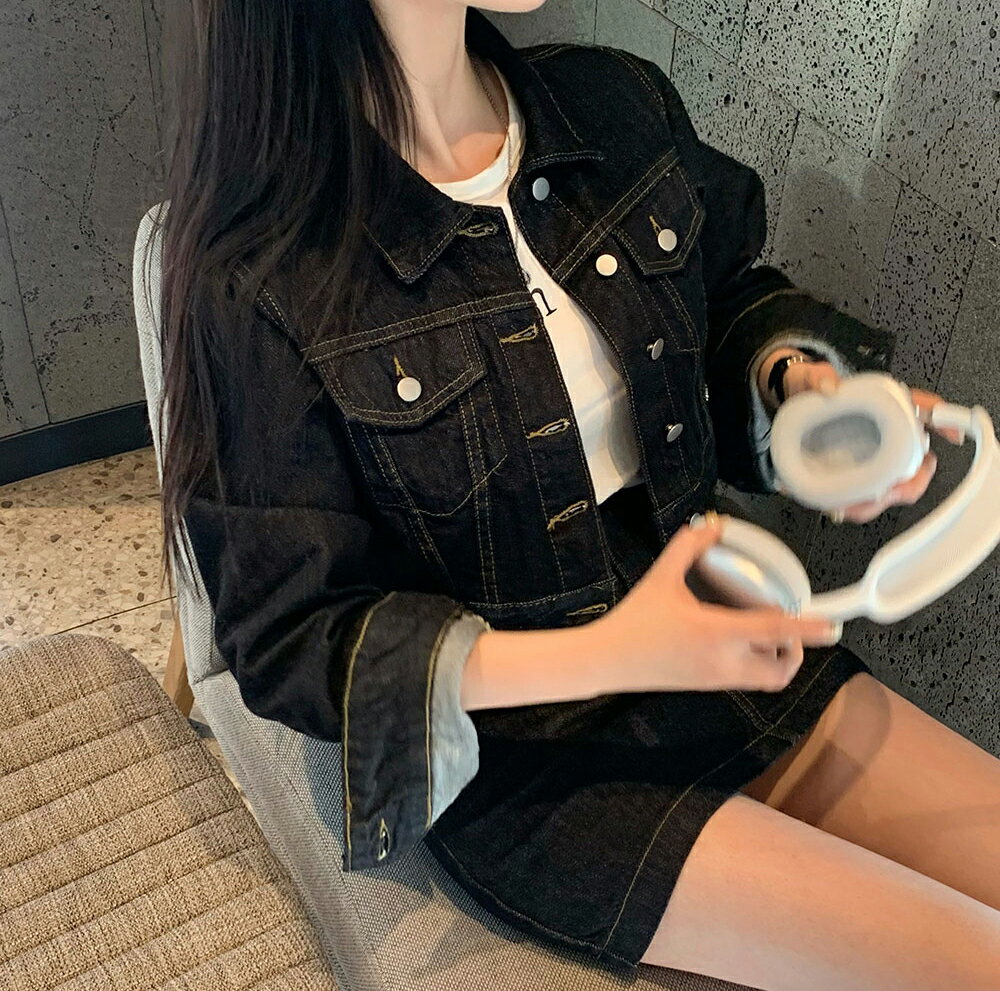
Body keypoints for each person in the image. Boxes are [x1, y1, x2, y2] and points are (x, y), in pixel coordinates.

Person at [143, 1, 1000, 988]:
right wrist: (618, 650)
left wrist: (798, 384)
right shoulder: (261, 272)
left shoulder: (611, 105)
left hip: (727, 645)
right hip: (531, 758)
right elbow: (294, 636)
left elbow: (727, 300)